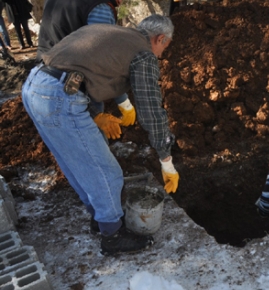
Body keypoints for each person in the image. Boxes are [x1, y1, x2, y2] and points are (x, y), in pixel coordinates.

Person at [21, 14, 180, 255]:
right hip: (59, 97)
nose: (160, 55)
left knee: (77, 165)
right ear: (160, 39)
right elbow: (151, 112)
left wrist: (100, 111)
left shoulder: (114, 34)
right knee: (107, 171)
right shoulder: (144, 53)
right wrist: (166, 160)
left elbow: (87, 69)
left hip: (35, 86)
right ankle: (113, 238)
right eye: (164, 48)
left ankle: (102, 219)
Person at [36, 0, 136, 133]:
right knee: (90, 141)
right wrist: (124, 101)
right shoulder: (99, 8)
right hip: (72, 82)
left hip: (41, 75)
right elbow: (102, 58)